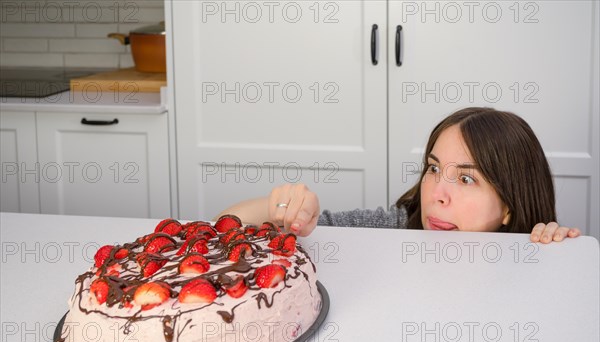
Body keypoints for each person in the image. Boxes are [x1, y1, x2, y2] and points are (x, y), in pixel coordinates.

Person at [218, 107, 581, 244]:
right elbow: (225, 225)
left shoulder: (530, 252)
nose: (437, 193)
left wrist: (550, 250)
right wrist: (284, 207)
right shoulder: (396, 227)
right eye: (434, 169)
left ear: (509, 208)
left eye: (467, 179)